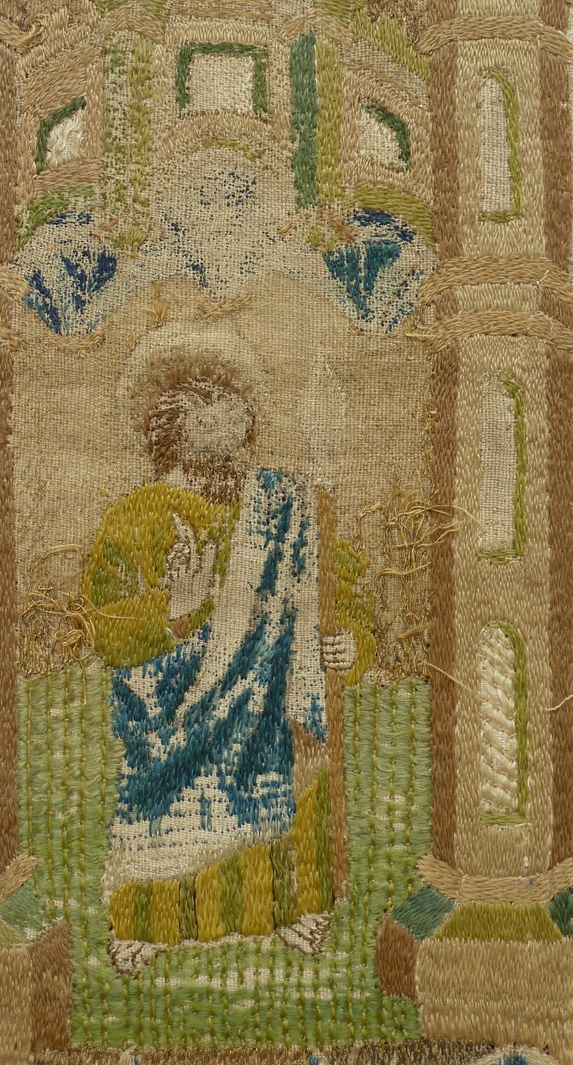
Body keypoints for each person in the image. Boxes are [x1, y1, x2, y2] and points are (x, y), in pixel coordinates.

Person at [80, 340, 373, 975]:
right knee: (169, 811)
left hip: (271, 711)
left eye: (235, 403)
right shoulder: (134, 518)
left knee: (287, 784)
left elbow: (342, 589)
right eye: (207, 402)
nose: (229, 416)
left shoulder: (284, 505)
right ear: (171, 426)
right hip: (168, 713)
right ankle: (151, 918)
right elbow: (101, 627)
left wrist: (351, 640)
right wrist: (173, 612)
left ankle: (291, 903)